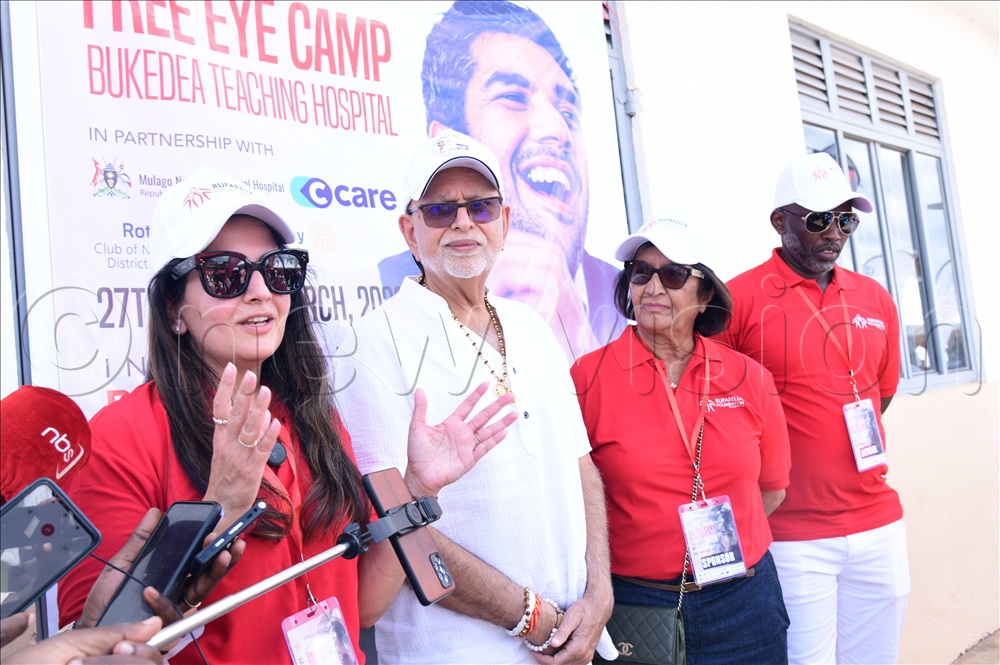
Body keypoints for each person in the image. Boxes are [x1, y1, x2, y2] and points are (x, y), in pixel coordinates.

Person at [58, 167, 516, 664]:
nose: (259, 292)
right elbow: (98, 644)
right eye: (225, 273)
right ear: (173, 308)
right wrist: (221, 510)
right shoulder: (120, 435)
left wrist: (417, 491)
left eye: (277, 270)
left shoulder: (311, 419)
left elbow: (360, 607)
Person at [336, 129, 615, 663]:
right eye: (441, 210)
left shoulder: (532, 325)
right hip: (459, 650)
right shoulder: (371, 341)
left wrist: (599, 593)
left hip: (576, 637)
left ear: (504, 223)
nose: (463, 222)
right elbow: (398, 524)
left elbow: (579, 466)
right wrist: (530, 618)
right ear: (409, 232)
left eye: (480, 206)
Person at [570, 212, 792, 664]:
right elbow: (573, 501)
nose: (652, 288)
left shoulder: (750, 377)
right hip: (638, 604)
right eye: (640, 273)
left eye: (672, 274)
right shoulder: (587, 377)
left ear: (705, 290)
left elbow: (771, 490)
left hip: (744, 602)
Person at [718, 152, 909, 665]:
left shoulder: (875, 297)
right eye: (819, 219)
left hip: (878, 523)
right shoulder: (739, 299)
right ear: (781, 221)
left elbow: (880, 395)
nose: (835, 233)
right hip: (794, 535)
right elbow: (718, 411)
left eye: (846, 219)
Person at [378, 0, 625, 359]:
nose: (557, 129)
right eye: (513, 97)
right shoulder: (380, 321)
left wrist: (576, 338)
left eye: (481, 207)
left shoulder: (629, 294)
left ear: (504, 220)